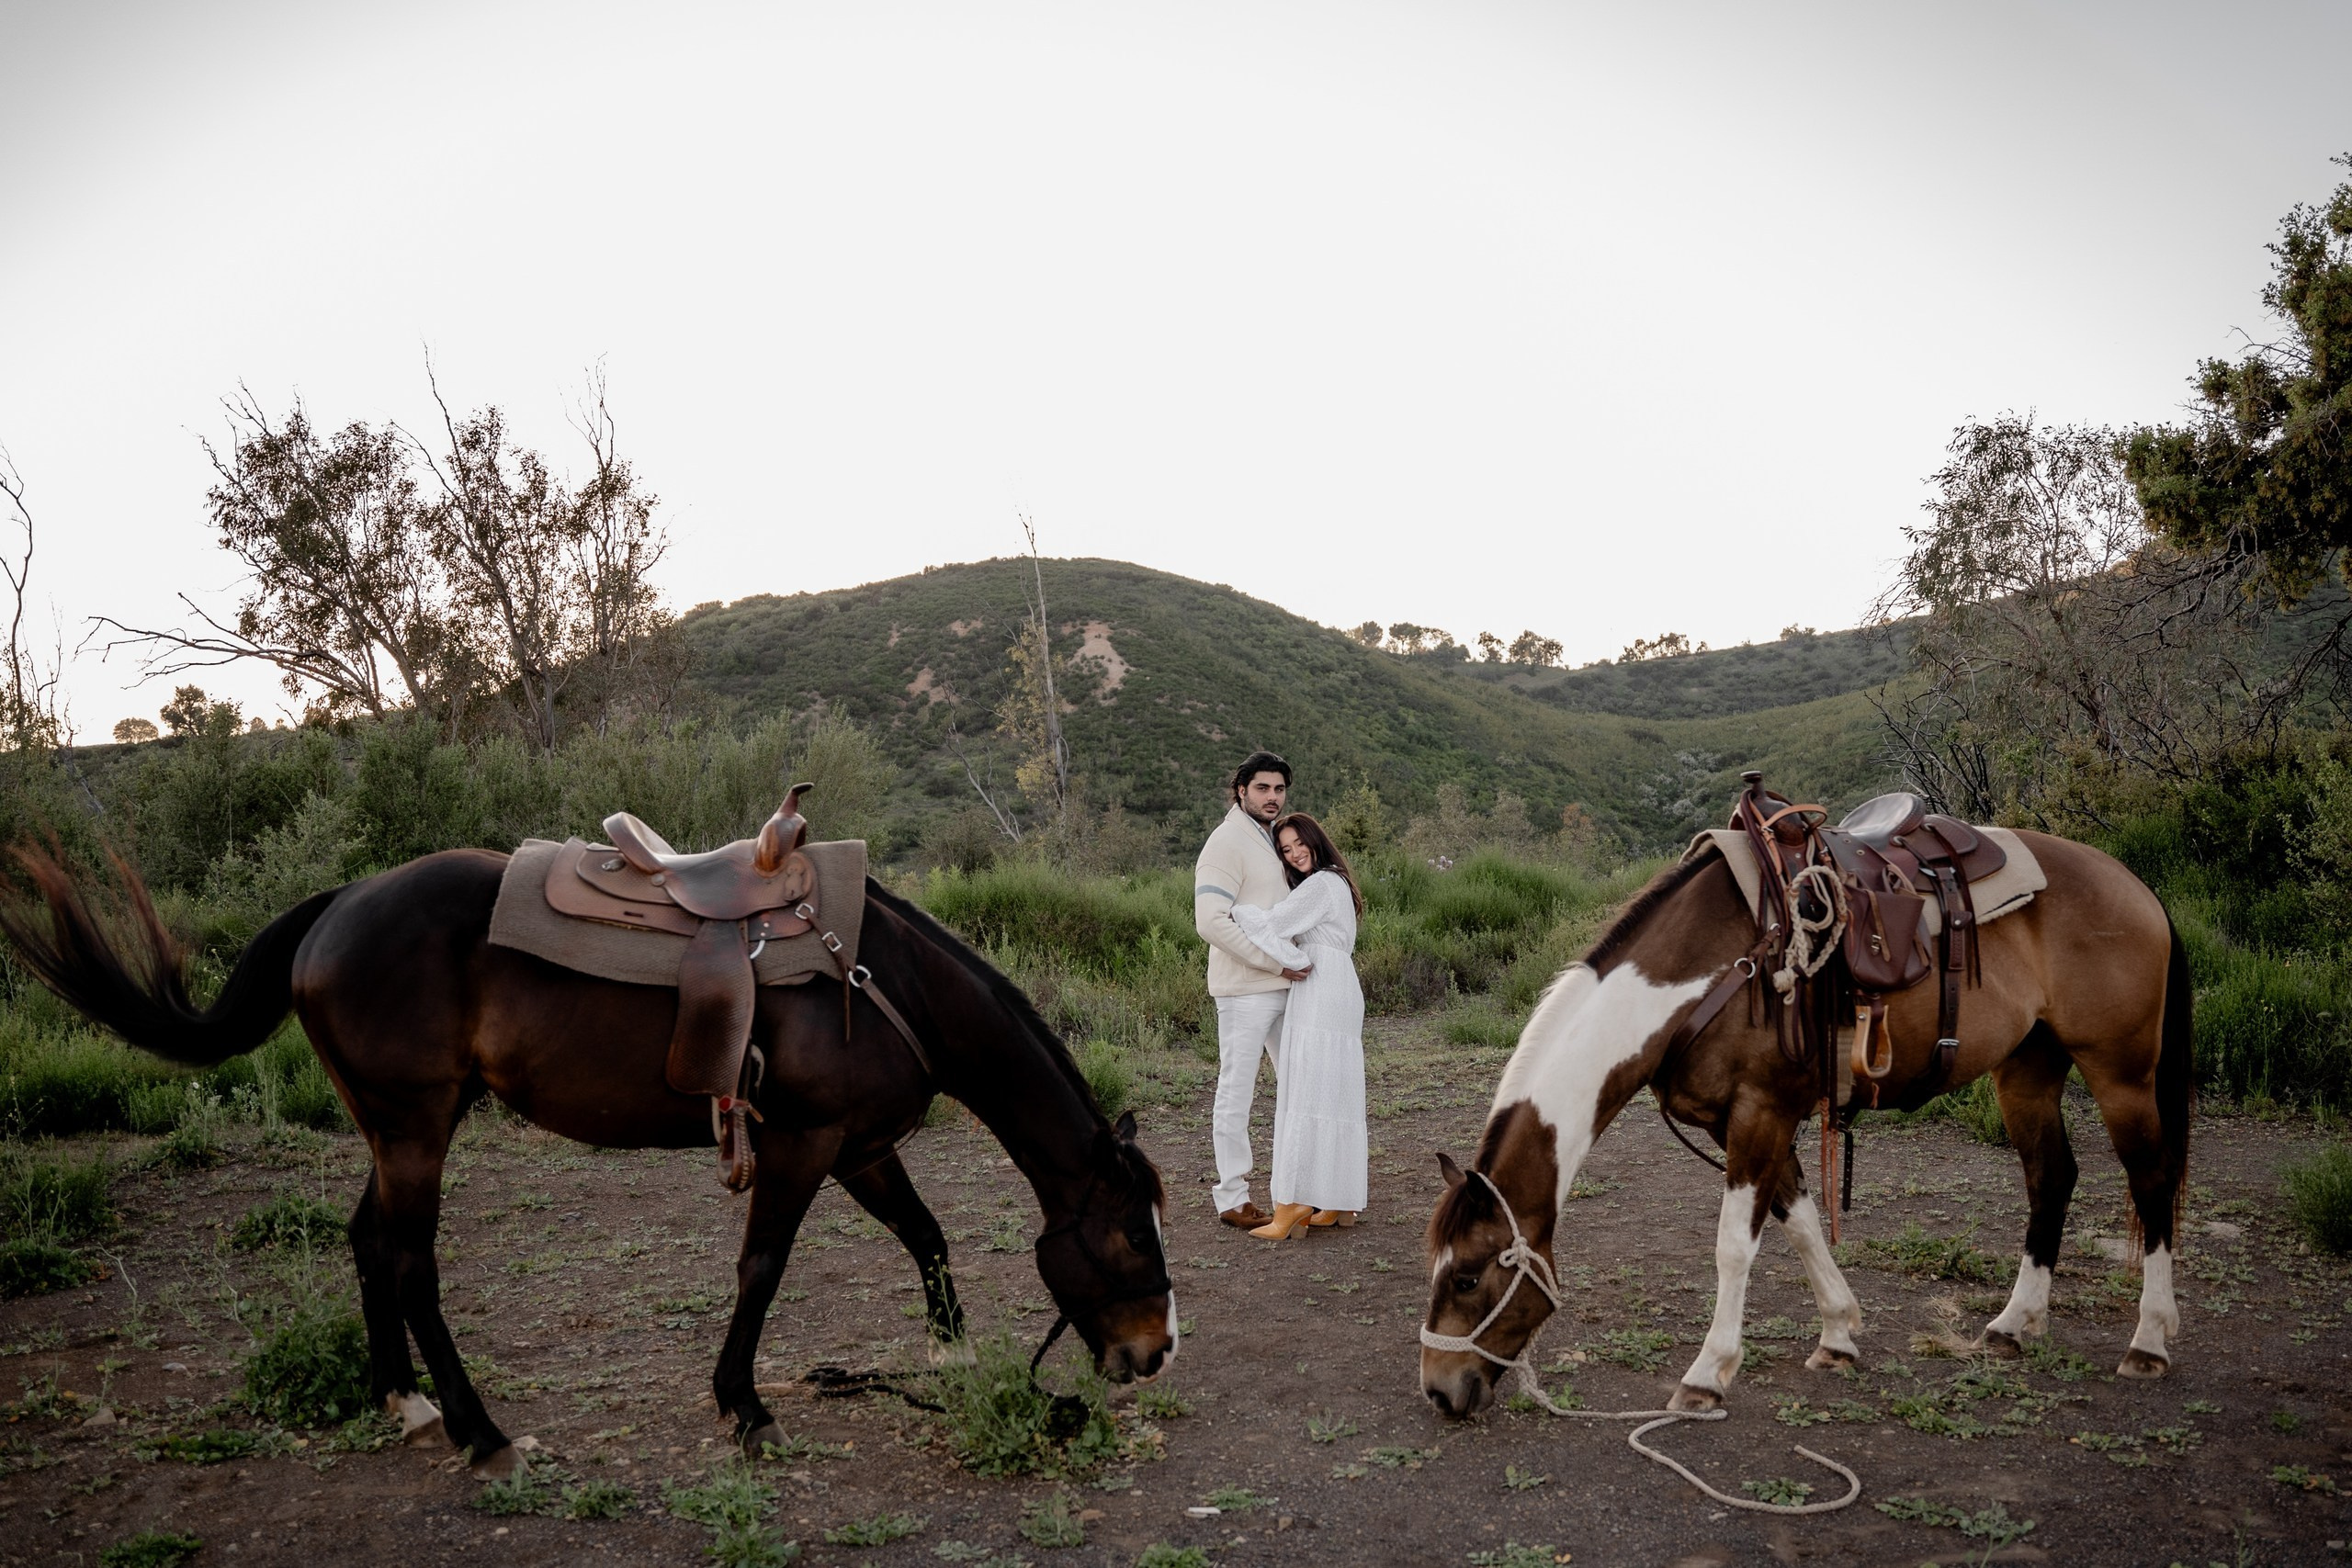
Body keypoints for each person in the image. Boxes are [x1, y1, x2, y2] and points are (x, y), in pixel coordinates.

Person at [1228, 812, 1367, 1239]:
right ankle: (1339, 1200)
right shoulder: (1337, 881)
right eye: (1285, 850)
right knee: (1334, 1093)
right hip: (1341, 984)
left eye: (1299, 843)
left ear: (1314, 839)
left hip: (1321, 986)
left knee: (1306, 1089)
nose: (1294, 854)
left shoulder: (1321, 883)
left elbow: (1269, 924)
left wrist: (1236, 910)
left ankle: (1292, 1204)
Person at [1193, 750, 1309, 1229]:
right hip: (1245, 989)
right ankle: (1232, 1196)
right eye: (1262, 788)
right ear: (1241, 790)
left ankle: (1300, 1188)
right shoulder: (1226, 842)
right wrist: (1274, 962)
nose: (1272, 797)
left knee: (1300, 1084)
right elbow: (1210, 922)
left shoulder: (1273, 838)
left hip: (1286, 986)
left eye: (1279, 789)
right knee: (1237, 1089)